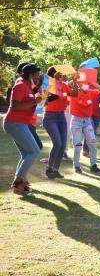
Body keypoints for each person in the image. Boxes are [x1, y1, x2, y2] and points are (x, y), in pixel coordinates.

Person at [3, 63, 43, 194]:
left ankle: (20, 181)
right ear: (30, 74)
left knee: (27, 153)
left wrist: (38, 87)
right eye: (36, 73)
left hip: (19, 123)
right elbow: (15, 106)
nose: (38, 75)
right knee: (34, 151)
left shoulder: (27, 84)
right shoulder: (20, 85)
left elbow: (31, 96)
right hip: (14, 123)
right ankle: (19, 182)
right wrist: (34, 102)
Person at [43, 67, 79, 179]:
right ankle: (49, 168)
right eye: (59, 73)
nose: (62, 75)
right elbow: (46, 96)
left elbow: (74, 95)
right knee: (57, 143)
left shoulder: (64, 85)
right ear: (53, 75)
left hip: (61, 116)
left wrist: (75, 82)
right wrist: (54, 80)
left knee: (62, 145)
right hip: (50, 117)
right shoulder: (47, 84)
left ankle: (55, 170)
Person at [70, 80, 100, 173]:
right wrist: (75, 80)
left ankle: (93, 165)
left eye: (87, 83)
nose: (86, 85)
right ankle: (76, 165)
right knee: (78, 145)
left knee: (92, 143)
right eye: (84, 83)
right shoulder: (75, 92)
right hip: (77, 121)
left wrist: (93, 83)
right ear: (79, 84)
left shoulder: (91, 92)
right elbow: (68, 86)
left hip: (87, 121)